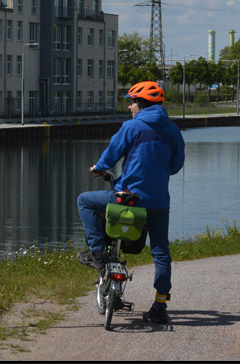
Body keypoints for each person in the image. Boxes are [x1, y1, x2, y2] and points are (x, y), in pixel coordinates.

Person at [76, 80, 186, 324]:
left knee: (84, 201)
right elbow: (176, 166)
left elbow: (111, 155)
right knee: (160, 252)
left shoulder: (132, 127)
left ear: (142, 104)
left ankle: (95, 252)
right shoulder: (172, 130)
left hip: (128, 198)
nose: (129, 107)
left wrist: (100, 168)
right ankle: (160, 305)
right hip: (158, 202)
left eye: (132, 102)